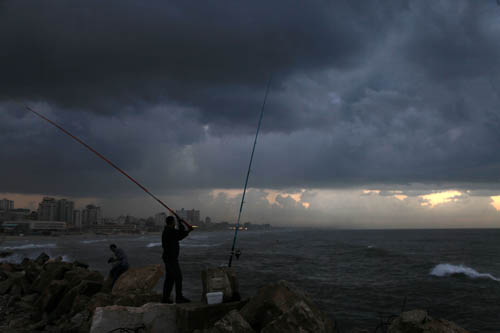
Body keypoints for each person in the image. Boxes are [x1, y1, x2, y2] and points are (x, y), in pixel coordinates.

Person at [162, 215, 193, 303]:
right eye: (174, 222)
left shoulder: (168, 230)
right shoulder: (170, 231)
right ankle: (179, 298)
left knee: (170, 279)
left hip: (169, 258)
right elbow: (181, 233)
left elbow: (179, 235)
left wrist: (183, 226)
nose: (175, 223)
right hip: (171, 259)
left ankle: (165, 299)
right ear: (172, 222)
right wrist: (182, 223)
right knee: (178, 277)